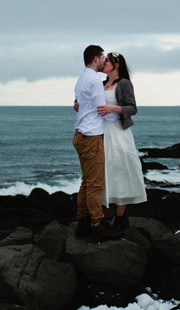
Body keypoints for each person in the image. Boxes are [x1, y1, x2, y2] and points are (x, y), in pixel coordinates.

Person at [72, 45, 122, 241]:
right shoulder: (94, 80)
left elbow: (80, 106)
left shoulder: (81, 79)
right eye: (102, 57)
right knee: (94, 185)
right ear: (95, 58)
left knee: (86, 182)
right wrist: (119, 115)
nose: (103, 60)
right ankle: (98, 224)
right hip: (92, 137)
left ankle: (82, 222)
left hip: (80, 136)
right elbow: (102, 110)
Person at [97, 52, 147, 232]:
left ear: (116, 65)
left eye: (107, 61)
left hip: (118, 132)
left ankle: (120, 217)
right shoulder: (101, 84)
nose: (104, 63)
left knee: (121, 170)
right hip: (101, 133)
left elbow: (133, 108)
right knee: (105, 171)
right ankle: (103, 216)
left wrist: (113, 108)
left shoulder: (124, 83)